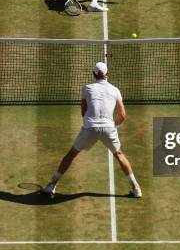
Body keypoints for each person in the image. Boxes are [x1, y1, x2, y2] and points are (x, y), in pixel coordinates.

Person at [42, 62, 142, 198]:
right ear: (107, 74)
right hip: (108, 128)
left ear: (94, 74)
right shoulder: (115, 90)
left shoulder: (86, 88)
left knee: (71, 154)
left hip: (90, 128)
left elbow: (83, 111)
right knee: (119, 154)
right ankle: (136, 189)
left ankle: (51, 185)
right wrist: (114, 127)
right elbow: (122, 115)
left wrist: (90, 125)